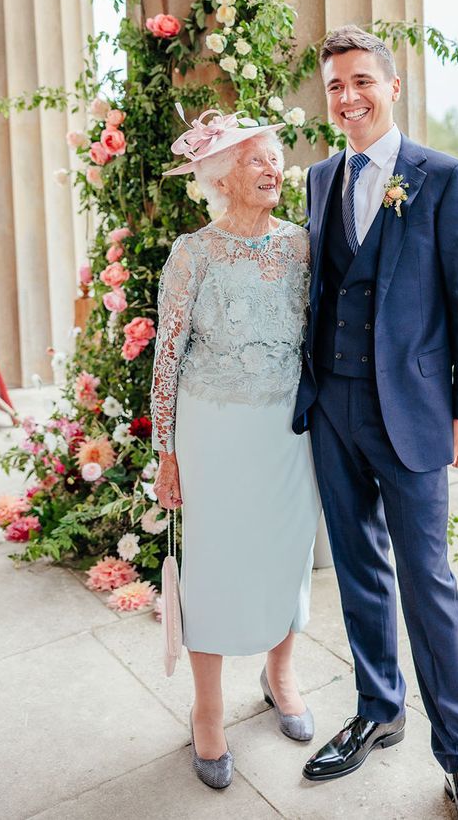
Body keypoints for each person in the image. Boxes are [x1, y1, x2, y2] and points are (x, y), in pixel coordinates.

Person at [293, 26, 458, 819]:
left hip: (412, 413)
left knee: (428, 584)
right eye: (335, 86)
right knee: (357, 570)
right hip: (334, 408)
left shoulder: (442, 178)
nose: (347, 98)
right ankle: (379, 711)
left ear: (392, 85)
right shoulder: (318, 178)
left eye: (360, 82)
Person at [151, 109, 320, 790]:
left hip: (288, 431)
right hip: (213, 430)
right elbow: (167, 355)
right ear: (222, 176)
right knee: (216, 567)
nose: (271, 168)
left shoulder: (304, 247)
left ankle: (280, 674)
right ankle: (209, 710)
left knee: (287, 553)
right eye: (255, 159)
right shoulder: (192, 253)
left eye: (275, 157)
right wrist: (166, 451)